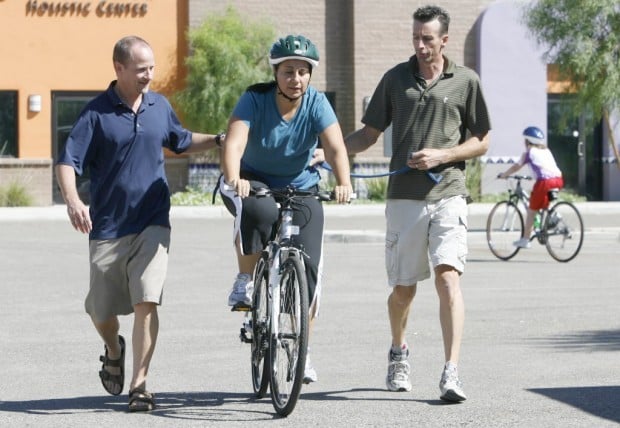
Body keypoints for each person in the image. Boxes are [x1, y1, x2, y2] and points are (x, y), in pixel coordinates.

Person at [55, 35, 222, 412]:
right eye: (141, 68)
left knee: (147, 299)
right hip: (109, 226)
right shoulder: (95, 114)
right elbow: (67, 162)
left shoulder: (159, 106)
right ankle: (114, 348)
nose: (149, 75)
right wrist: (73, 201)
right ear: (118, 68)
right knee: (101, 310)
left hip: (153, 221)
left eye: (151, 67)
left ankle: (140, 385)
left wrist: (217, 139)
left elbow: (179, 140)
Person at [344, 5, 491, 402]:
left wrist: (442, 156)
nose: (421, 45)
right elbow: (369, 134)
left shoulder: (466, 81)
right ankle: (398, 351)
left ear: (445, 39)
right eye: (416, 38)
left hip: (449, 193)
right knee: (403, 291)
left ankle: (451, 371)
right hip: (404, 199)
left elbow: (482, 140)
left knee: (448, 280)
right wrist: (333, 153)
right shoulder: (395, 79)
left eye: (428, 38)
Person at [219, 34, 353, 383]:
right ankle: (247, 280)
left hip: (300, 186)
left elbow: (336, 147)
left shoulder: (317, 103)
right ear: (276, 73)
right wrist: (235, 178)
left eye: (303, 72)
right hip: (253, 180)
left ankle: (302, 352)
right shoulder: (255, 98)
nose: (296, 79)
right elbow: (234, 143)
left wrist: (344, 182)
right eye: (288, 71)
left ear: (310, 75)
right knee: (259, 212)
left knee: (308, 270)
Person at [498, 126, 563, 248]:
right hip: (559, 180)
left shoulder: (529, 153)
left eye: (525, 140)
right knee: (543, 204)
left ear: (528, 140)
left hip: (545, 182)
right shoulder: (546, 150)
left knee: (531, 211)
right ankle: (553, 217)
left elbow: (516, 167)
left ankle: (525, 239)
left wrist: (504, 175)